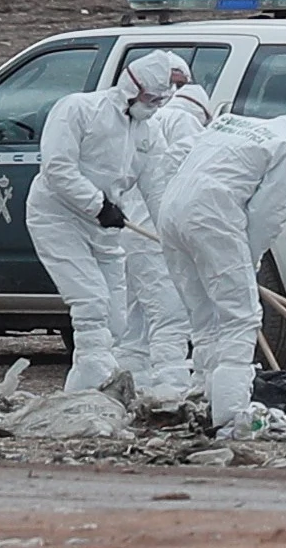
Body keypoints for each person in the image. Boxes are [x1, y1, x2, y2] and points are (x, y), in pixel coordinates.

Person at [161, 98, 286, 435]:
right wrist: (248, 259)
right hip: (213, 214)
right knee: (240, 318)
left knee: (204, 317)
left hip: (172, 212)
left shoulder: (236, 123)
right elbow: (269, 213)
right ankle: (229, 416)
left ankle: (203, 397)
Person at [28, 50, 179, 393]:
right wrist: (97, 204)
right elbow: (57, 169)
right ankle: (92, 391)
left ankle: (84, 393)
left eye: (159, 100)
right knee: (91, 302)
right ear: (131, 87)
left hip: (106, 228)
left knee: (115, 317)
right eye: (149, 98)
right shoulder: (78, 110)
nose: (153, 106)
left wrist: (171, 232)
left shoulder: (148, 133)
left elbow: (156, 189)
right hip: (58, 218)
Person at [125, 79, 216, 398]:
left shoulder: (151, 121)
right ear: (203, 112)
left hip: (131, 232)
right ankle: (170, 389)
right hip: (156, 233)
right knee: (170, 315)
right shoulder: (186, 124)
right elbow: (196, 173)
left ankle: (131, 383)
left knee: (135, 320)